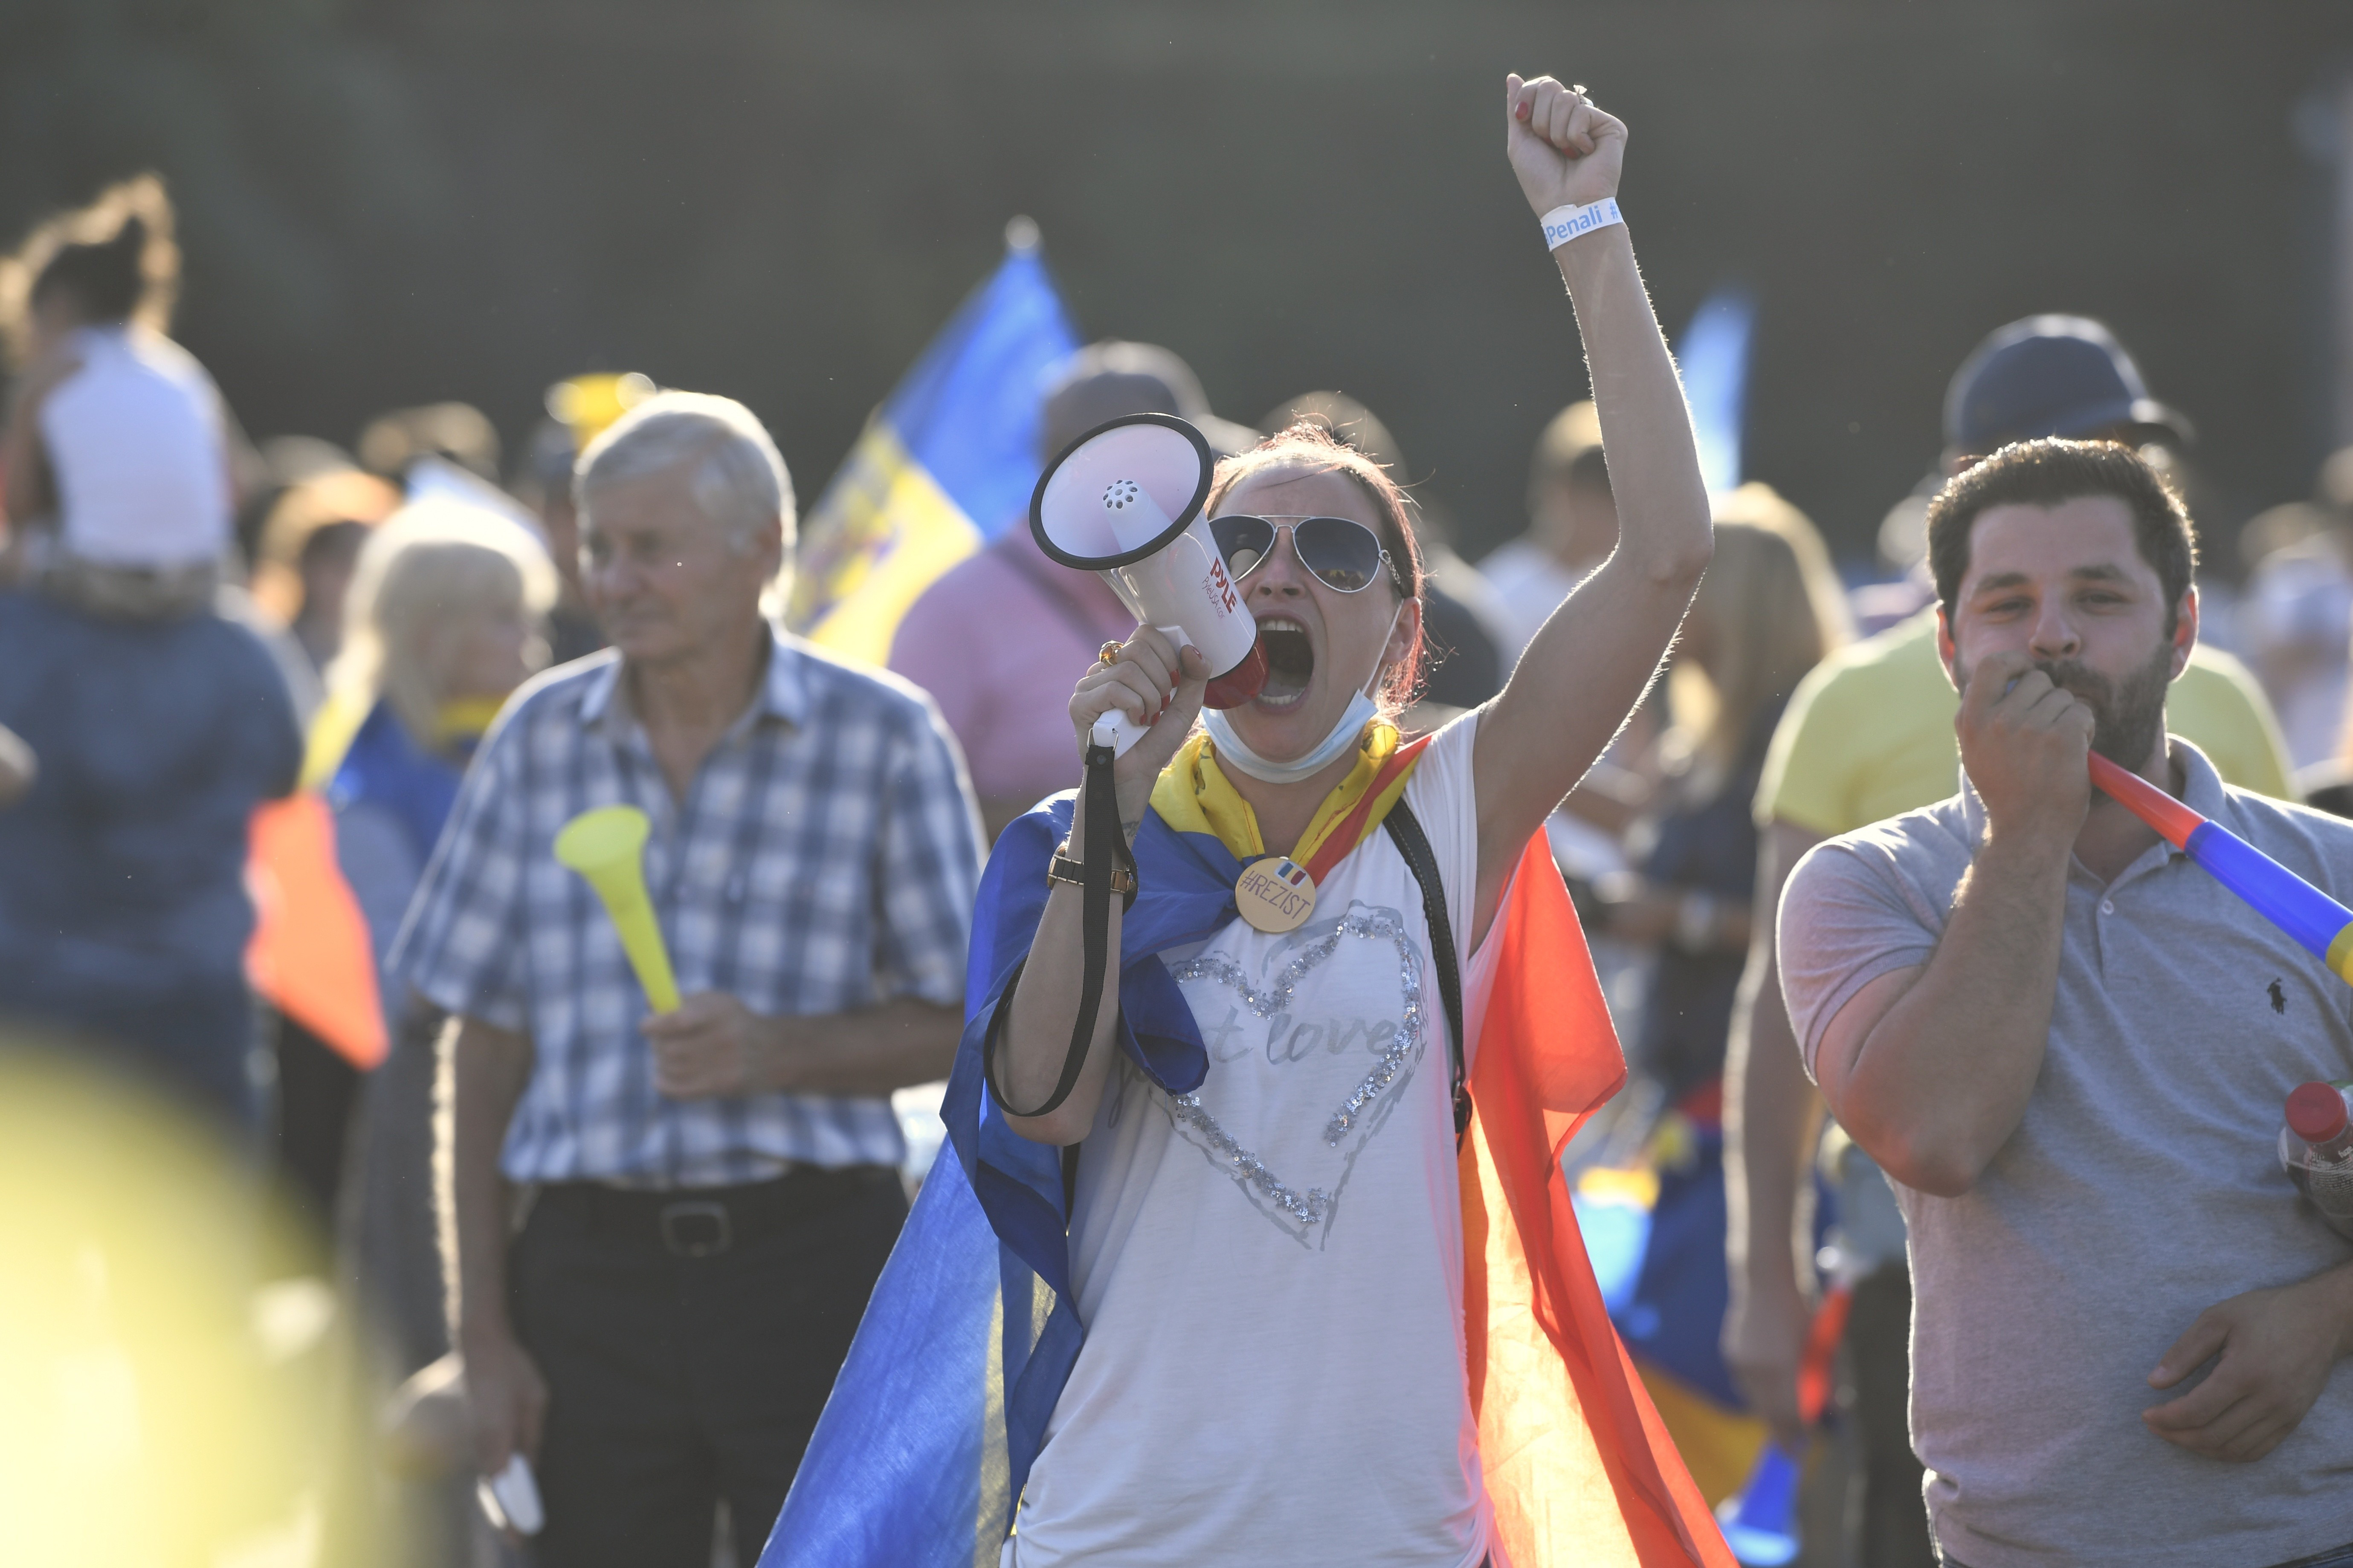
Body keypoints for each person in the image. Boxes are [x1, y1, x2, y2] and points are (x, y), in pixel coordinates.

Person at [983, 75, 1716, 1564]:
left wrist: (1583, 222)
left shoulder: (1450, 801)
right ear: (1174, 582)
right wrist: (1115, 793)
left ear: (1397, 631)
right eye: (1235, 540)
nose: (1273, 573)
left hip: (1384, 1529)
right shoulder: (1082, 819)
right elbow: (1043, 1104)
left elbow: (1663, 553)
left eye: (1333, 547)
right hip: (1117, 1526)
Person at [1721, 316, 2296, 1568]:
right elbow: (1797, 1029)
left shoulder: (2277, 786)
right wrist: (1762, 1263)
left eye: (2102, 584)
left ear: (2179, 617)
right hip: (1920, 1297)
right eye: (2009, 596)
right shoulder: (1848, 736)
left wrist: (2329, 1310)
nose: (2053, 631)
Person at [392, 391, 982, 1566]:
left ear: (762, 545)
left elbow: (973, 1022)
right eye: (596, 545)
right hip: (583, 1277)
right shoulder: (534, 735)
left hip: (816, 1266)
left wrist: (783, 1052)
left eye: (650, 546)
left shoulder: (885, 736)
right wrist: (483, 1333)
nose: (611, 578)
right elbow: (480, 1042)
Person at [890, 340, 1249, 842]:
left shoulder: (1210, 570)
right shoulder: (952, 614)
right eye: (1161, 463)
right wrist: (1104, 801)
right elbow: (898, 814)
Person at [0, 173, 233, 620]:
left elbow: (20, 509)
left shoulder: (55, 373)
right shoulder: (179, 368)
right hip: (200, 580)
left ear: (57, 306)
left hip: (107, 582)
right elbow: (235, 487)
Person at [1258, 390, 1512, 716]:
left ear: (1404, 628)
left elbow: (1472, 754)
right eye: (1256, 532)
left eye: (1324, 538)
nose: (1278, 580)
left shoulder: (1457, 627)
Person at [1477, 397, 1618, 665]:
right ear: (1563, 490)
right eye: (1602, 489)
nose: (1615, 508)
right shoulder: (1501, 591)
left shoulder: (1625, 595)